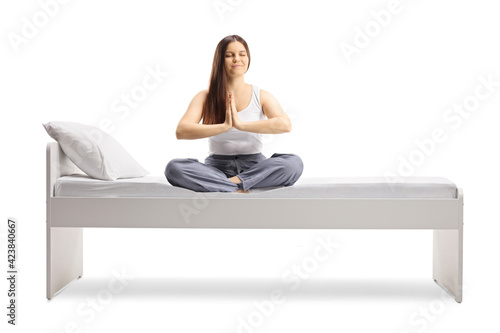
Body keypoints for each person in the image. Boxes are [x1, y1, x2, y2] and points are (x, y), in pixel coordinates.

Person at [165, 35, 303, 193]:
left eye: (242, 54)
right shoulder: (205, 97)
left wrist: (241, 125)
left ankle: (227, 185)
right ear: (220, 60)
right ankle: (242, 186)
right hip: (216, 168)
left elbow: (285, 125)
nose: (237, 59)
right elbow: (181, 131)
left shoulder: (261, 95)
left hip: (255, 166)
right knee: (174, 168)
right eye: (229, 55)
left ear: (248, 58)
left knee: (294, 163)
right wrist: (224, 126)